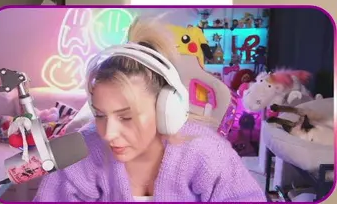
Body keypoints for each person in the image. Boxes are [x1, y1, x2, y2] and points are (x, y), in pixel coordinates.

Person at [34, 19, 265, 202]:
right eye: (100, 115)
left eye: (126, 117)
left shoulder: (207, 153)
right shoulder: (85, 151)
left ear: (166, 109)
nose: (108, 133)